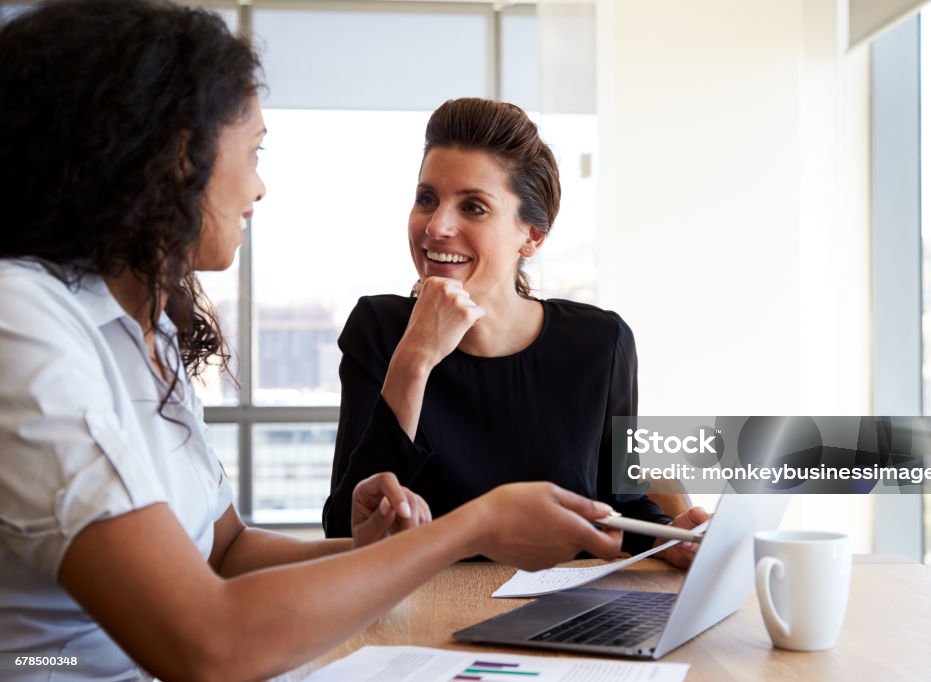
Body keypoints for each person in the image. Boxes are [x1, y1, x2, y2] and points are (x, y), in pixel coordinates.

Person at [0, 3, 625, 680]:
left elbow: (225, 549)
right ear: (169, 156)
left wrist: (389, 550)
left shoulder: (143, 333)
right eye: (253, 152)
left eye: (473, 206)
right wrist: (471, 527)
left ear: (532, 235)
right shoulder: (22, 320)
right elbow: (205, 642)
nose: (259, 186)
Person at [322, 97, 709, 567]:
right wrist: (416, 357)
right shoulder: (379, 331)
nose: (438, 225)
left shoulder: (600, 344)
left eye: (474, 207)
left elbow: (622, 505)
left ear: (532, 236)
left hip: (566, 617)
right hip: (427, 622)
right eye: (427, 199)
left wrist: (666, 539)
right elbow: (345, 529)